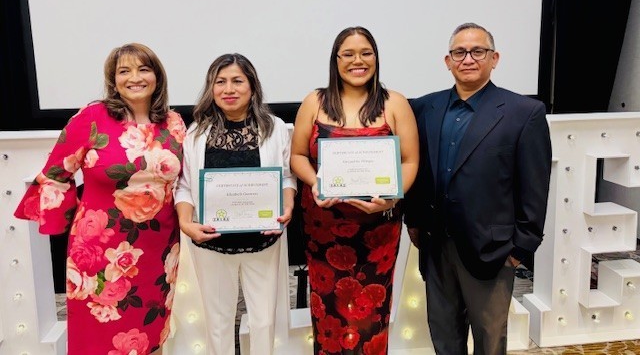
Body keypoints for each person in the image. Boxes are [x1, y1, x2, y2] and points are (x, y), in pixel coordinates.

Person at [13, 43, 186, 354]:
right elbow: (56, 172)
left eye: (143, 69)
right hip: (99, 252)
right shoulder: (92, 117)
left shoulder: (173, 123)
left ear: (157, 77)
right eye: (125, 71)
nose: (135, 77)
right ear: (113, 79)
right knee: (99, 336)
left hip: (160, 251)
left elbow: (184, 180)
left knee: (152, 333)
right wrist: (60, 225)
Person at [404, 22, 552, 355]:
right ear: (448, 60)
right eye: (459, 52)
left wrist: (520, 250)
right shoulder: (424, 108)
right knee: (443, 335)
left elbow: (535, 186)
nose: (468, 59)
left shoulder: (524, 113)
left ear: (494, 58)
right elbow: (417, 169)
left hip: (493, 251)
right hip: (435, 246)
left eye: (478, 51)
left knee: (489, 339)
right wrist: (413, 221)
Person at [290, 26, 419, 354]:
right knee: (328, 314)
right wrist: (316, 182)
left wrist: (391, 197)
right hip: (325, 229)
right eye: (348, 54)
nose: (357, 61)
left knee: (371, 316)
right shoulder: (314, 101)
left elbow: (410, 161)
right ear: (335, 60)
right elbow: (298, 156)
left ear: (376, 58)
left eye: (366, 53)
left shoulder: (395, 103)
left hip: (377, 231)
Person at [174, 53, 296, 355]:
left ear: (252, 87)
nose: (229, 89)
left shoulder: (276, 128)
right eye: (221, 81)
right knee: (217, 324)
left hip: (264, 241)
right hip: (211, 243)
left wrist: (288, 205)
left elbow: (287, 178)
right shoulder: (195, 133)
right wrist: (186, 223)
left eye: (237, 81)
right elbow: (185, 186)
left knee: (264, 322)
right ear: (211, 89)